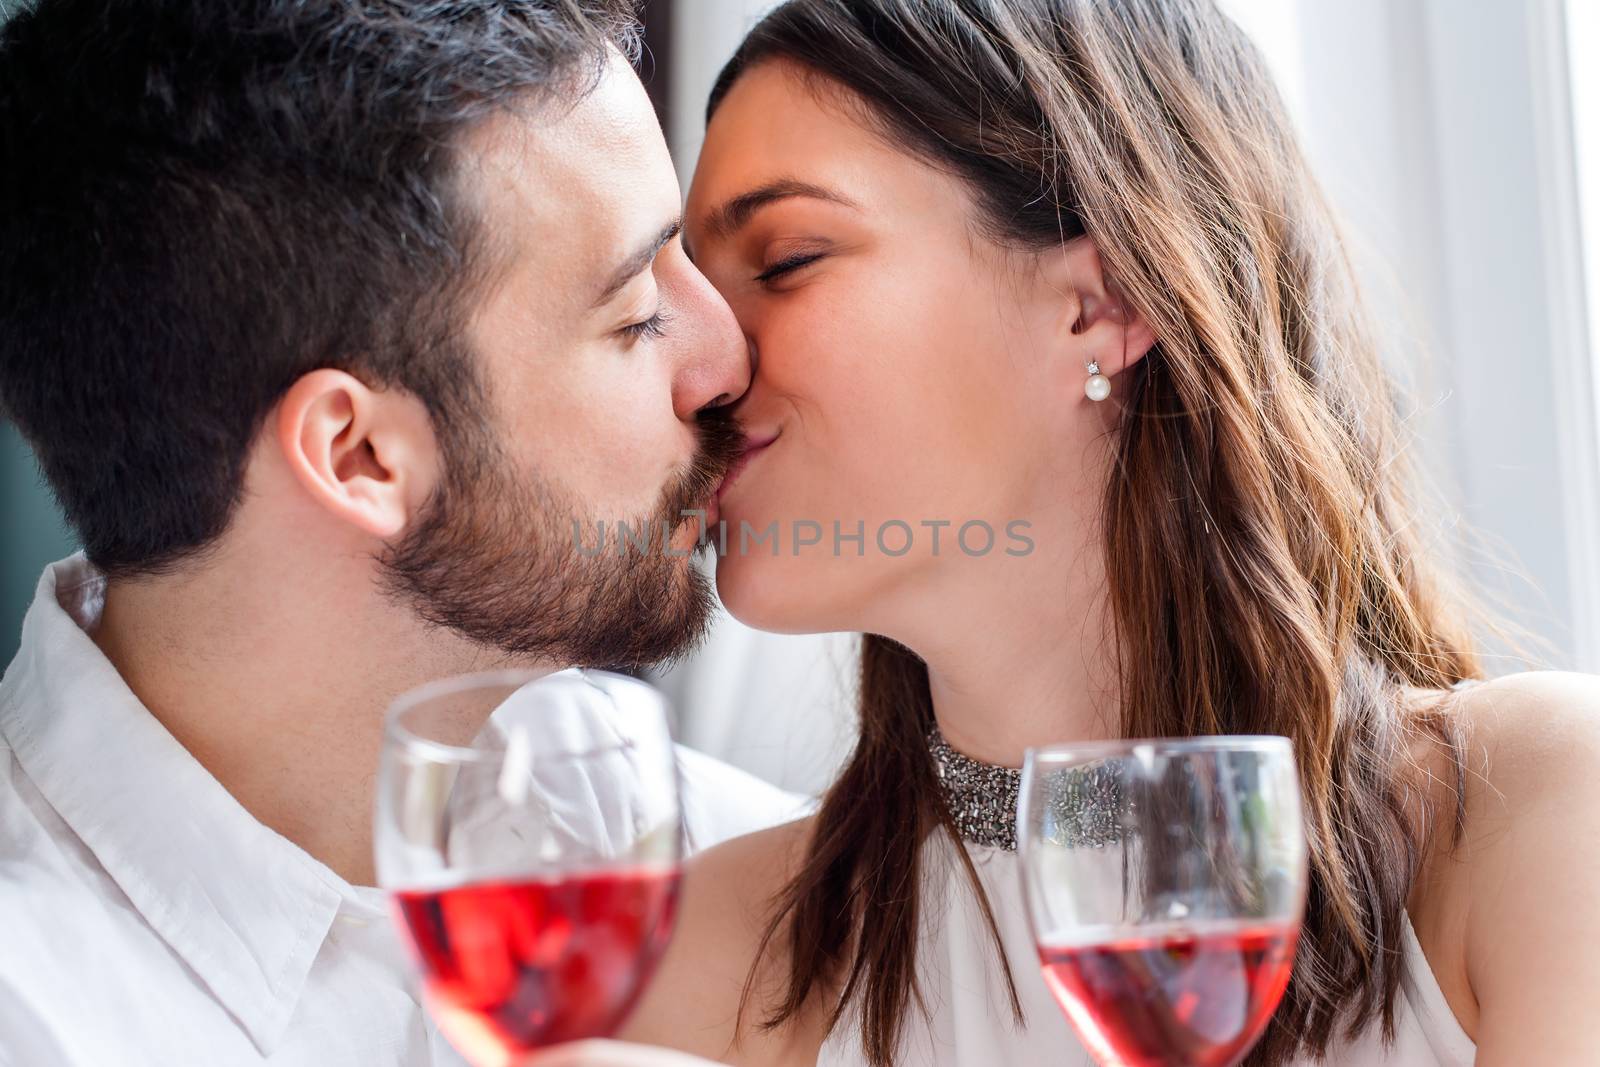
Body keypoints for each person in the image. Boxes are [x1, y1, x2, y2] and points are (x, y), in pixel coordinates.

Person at [528, 1, 1600, 1065]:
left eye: (788, 257)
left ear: (1100, 304)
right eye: (693, 289)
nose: (702, 359)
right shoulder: (701, 962)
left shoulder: (1533, 820)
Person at [0, 2, 805, 1064]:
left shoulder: (731, 862)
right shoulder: (39, 1009)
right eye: (634, 313)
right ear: (359, 457)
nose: (726, 360)